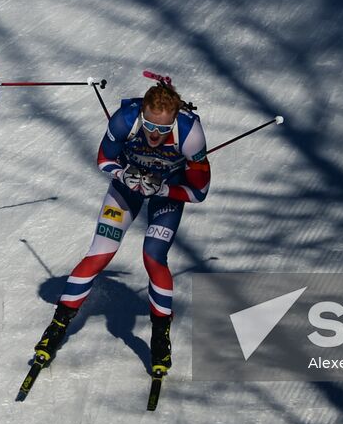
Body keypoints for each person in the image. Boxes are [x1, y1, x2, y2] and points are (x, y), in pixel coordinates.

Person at [30, 77, 211, 377]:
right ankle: (58, 324)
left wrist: (162, 190)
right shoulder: (126, 119)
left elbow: (199, 191)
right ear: (142, 115)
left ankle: (159, 336)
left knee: (153, 255)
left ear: (174, 120)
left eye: (162, 130)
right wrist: (124, 175)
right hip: (127, 185)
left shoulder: (190, 134)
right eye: (149, 126)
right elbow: (104, 159)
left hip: (168, 187)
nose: (154, 135)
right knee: (100, 254)